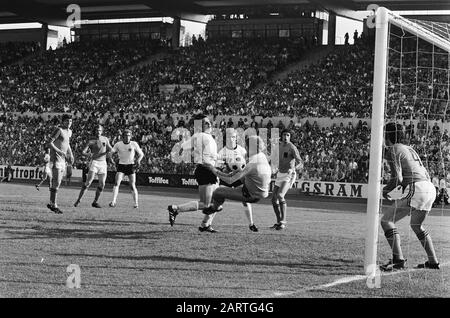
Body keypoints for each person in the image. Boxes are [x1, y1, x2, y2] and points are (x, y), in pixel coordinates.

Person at [381, 122, 440, 271]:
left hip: (418, 187)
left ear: (387, 135)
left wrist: (385, 190)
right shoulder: (409, 148)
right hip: (429, 187)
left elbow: (398, 178)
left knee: (387, 220)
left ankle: (398, 260)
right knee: (416, 225)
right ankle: (433, 262)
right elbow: (424, 173)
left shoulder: (392, 149)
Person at [168, 114, 220, 233]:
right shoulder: (201, 135)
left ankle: (205, 225)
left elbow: (184, 146)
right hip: (206, 170)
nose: (209, 124)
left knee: (217, 201)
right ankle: (176, 209)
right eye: (205, 123)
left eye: (208, 122)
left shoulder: (204, 136)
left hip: (208, 170)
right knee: (206, 204)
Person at [202, 135, 272, 220]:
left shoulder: (252, 164)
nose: (245, 149)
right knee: (232, 179)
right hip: (261, 191)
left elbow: (230, 180)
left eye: (247, 146)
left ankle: (215, 208)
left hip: (252, 195)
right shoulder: (261, 155)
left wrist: (212, 169)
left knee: (218, 191)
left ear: (250, 147)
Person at [217, 128, 257, 232]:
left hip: (239, 178)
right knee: (218, 200)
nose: (232, 139)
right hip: (226, 178)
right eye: (230, 137)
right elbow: (218, 166)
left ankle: (251, 224)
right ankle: (207, 224)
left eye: (234, 137)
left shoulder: (242, 150)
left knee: (245, 200)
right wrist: (225, 168)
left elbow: (247, 163)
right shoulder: (222, 152)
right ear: (226, 139)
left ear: (236, 138)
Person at [74, 125, 113, 208]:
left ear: (102, 131)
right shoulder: (91, 141)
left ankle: (95, 202)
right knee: (88, 183)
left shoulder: (105, 139)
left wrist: (110, 154)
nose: (98, 132)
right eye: (96, 130)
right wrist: (90, 154)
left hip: (103, 163)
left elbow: (110, 149)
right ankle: (79, 200)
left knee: (102, 184)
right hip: (94, 162)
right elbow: (83, 151)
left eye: (99, 130)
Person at [271, 129, 303, 230]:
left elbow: (301, 163)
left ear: (290, 137)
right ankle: (278, 221)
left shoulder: (292, 147)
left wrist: (293, 169)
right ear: (281, 136)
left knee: (280, 195)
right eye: (284, 134)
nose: (286, 137)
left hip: (289, 175)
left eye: (288, 135)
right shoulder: (279, 146)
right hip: (280, 174)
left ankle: (283, 221)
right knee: (273, 199)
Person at [46, 113, 74, 214]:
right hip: (56, 158)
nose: (69, 123)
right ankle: (54, 204)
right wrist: (59, 151)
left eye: (70, 121)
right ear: (63, 121)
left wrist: (71, 154)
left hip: (63, 160)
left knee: (57, 183)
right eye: (67, 121)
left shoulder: (69, 132)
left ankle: (51, 203)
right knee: (56, 182)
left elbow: (67, 144)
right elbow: (49, 142)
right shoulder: (59, 130)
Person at [109, 129, 144, 208]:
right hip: (121, 166)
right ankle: (113, 201)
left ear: (131, 136)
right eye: (126, 136)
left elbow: (141, 154)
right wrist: (111, 159)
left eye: (129, 136)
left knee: (132, 185)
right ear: (123, 137)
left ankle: (136, 204)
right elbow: (111, 152)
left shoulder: (134, 144)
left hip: (131, 166)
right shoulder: (118, 144)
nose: (127, 137)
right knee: (116, 183)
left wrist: (138, 160)